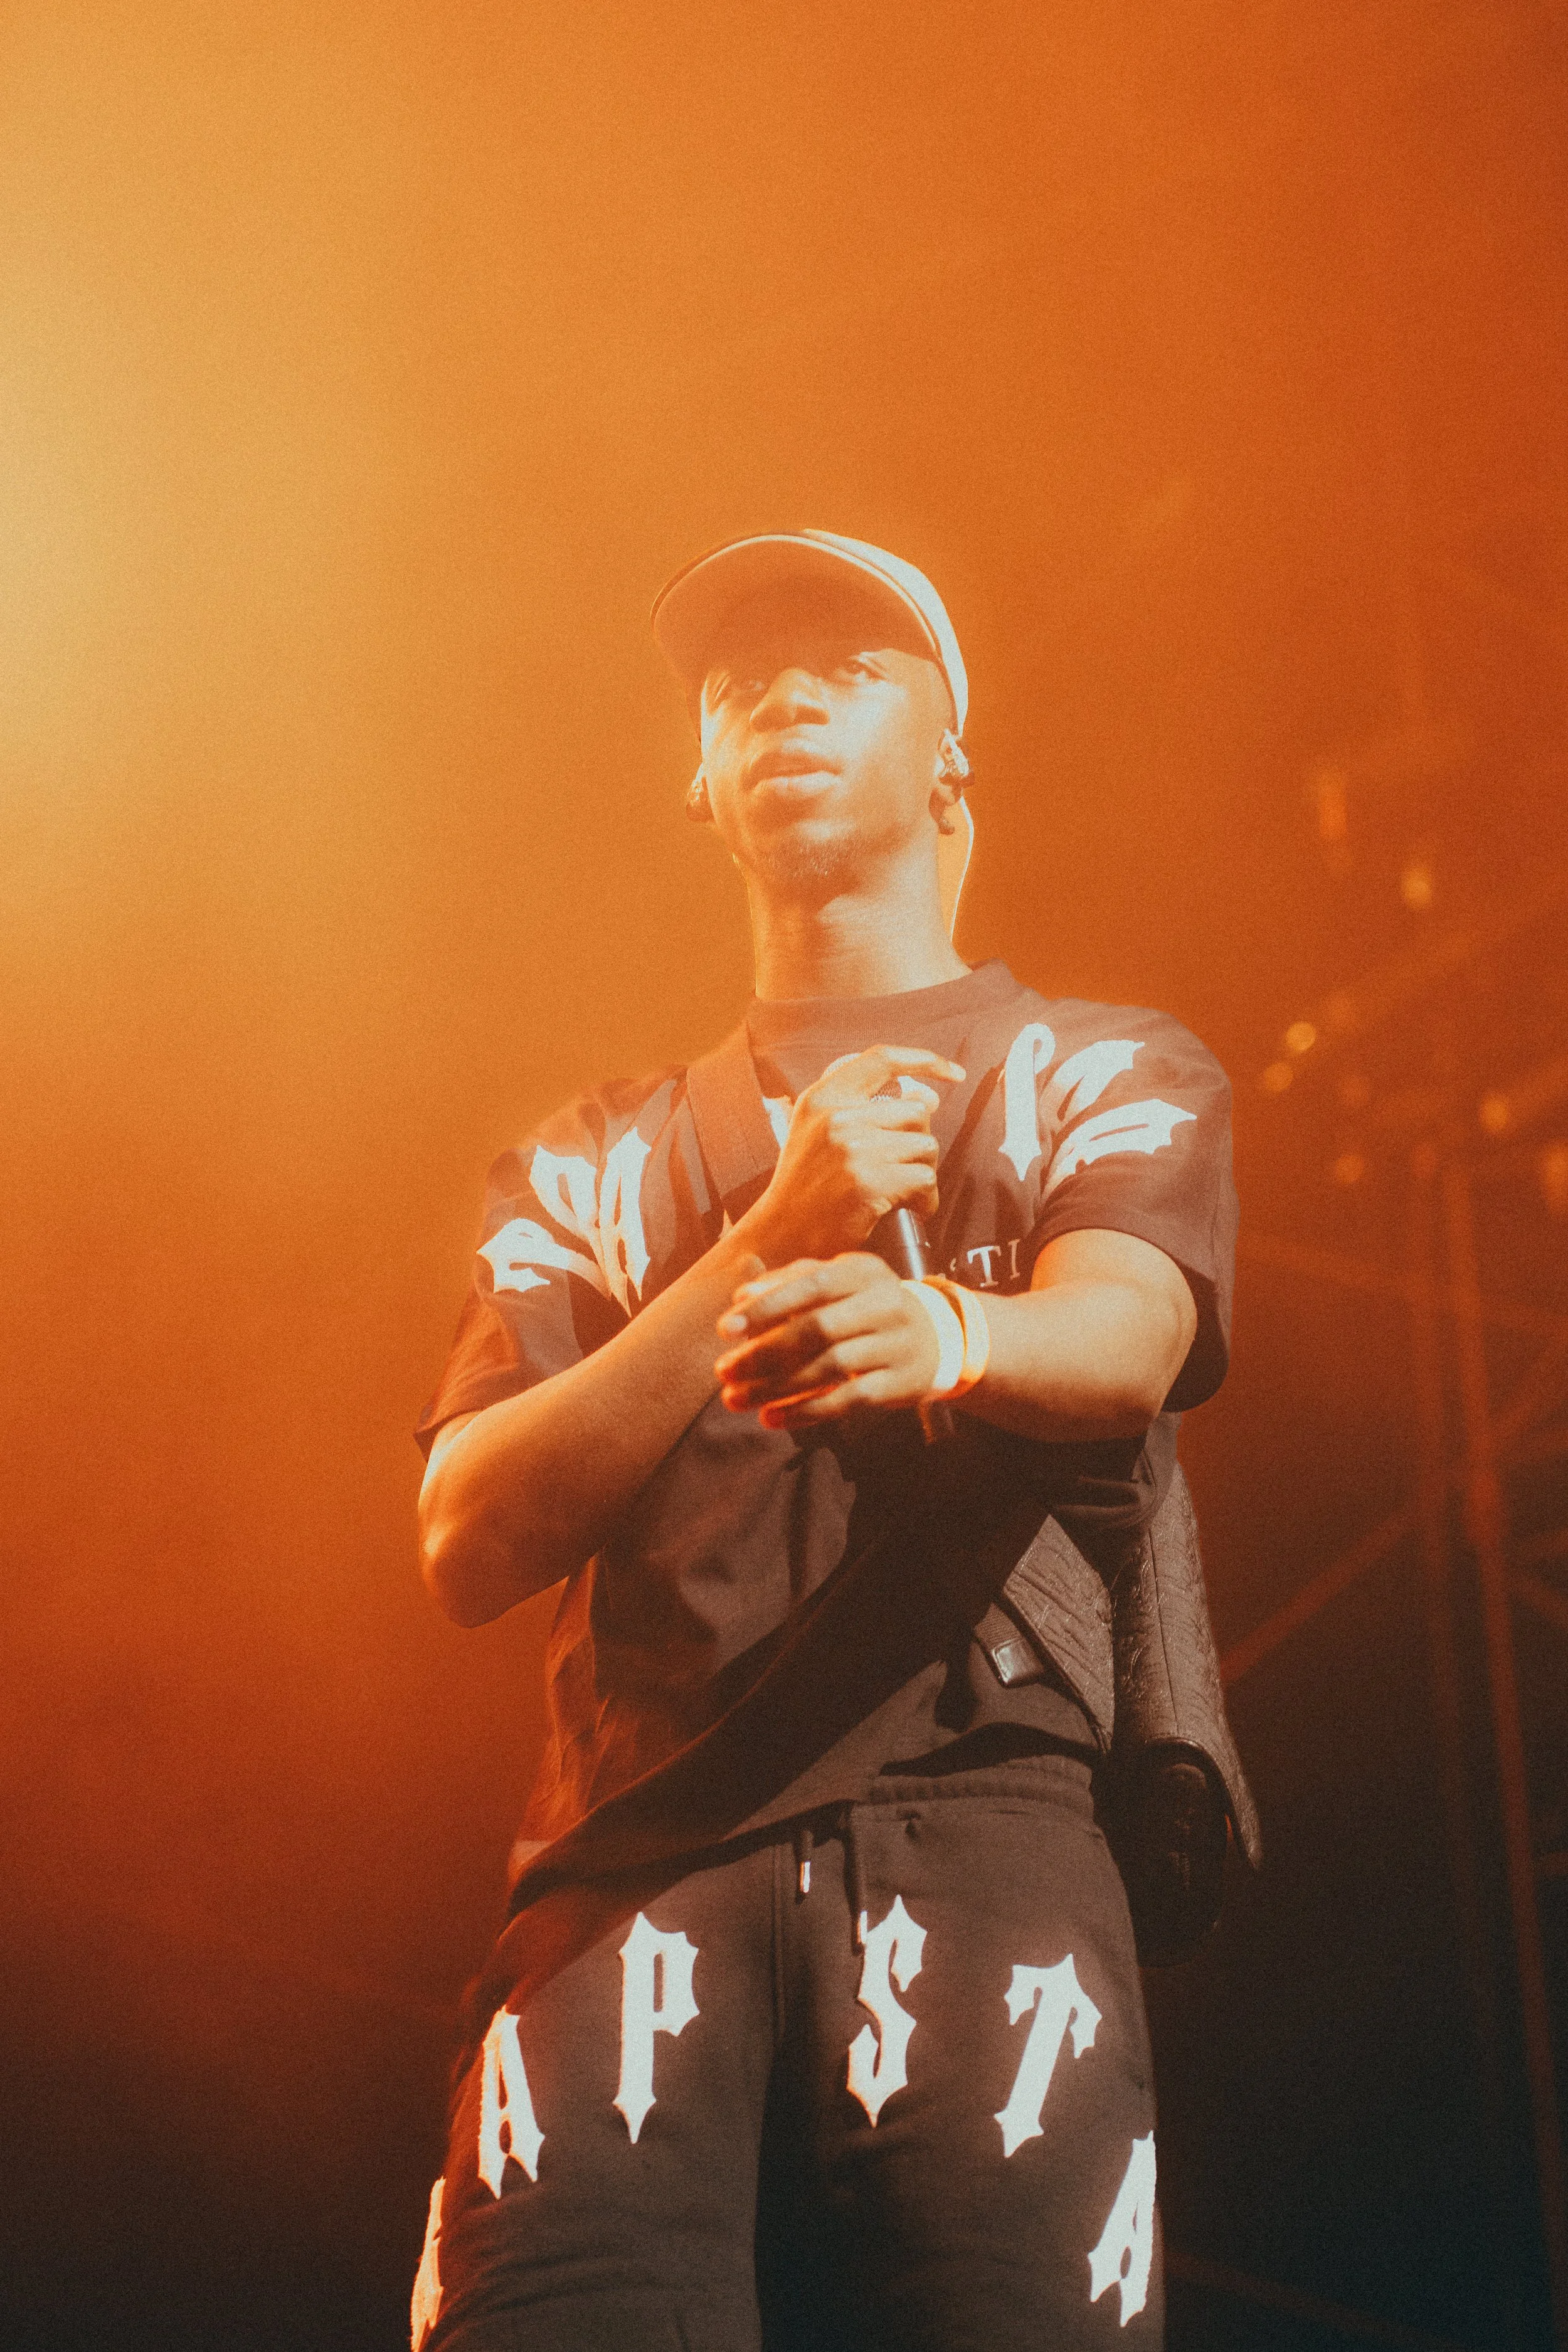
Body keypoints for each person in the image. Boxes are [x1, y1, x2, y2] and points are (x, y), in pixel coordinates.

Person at [408, 530, 1247, 2352]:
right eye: (738, 682)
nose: (782, 692)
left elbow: (1132, 1328)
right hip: (625, 1872)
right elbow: (465, 1528)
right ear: (696, 780)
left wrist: (949, 1326)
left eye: (848, 664)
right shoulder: (590, 1157)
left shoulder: (1095, 1064)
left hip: (979, 1822)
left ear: (954, 755)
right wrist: (763, 1239)